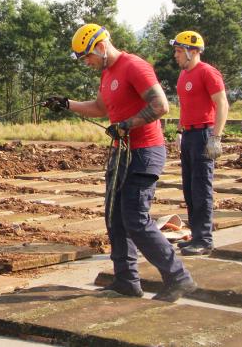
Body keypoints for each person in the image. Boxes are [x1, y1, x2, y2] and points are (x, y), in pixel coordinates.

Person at [44, 23, 196, 302]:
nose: (86, 63)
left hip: (144, 152)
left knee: (135, 219)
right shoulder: (108, 73)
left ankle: (178, 277)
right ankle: (126, 281)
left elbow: (161, 105)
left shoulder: (134, 66)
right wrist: (67, 104)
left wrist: (128, 124)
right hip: (122, 152)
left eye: (87, 56)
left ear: (101, 47)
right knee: (115, 218)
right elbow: (102, 108)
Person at [170, 31, 228, 256]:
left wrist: (216, 136)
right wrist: (179, 130)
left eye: (178, 51)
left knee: (202, 188)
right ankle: (195, 235)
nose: (175, 56)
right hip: (189, 135)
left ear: (191, 51)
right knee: (189, 189)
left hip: (204, 134)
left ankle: (204, 239)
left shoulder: (208, 72)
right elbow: (185, 107)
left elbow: (222, 104)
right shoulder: (183, 75)